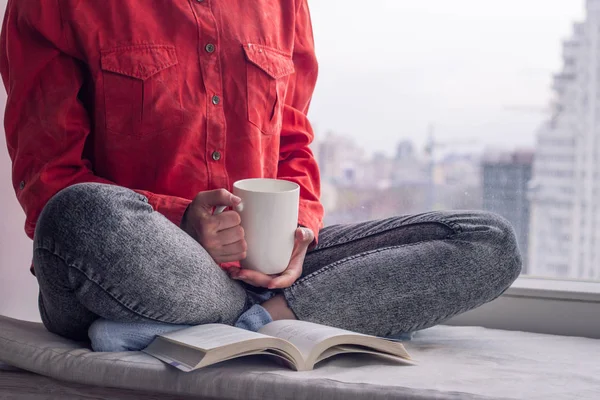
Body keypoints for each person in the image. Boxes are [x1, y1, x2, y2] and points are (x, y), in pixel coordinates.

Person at [0, 0, 521, 352]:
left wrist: (300, 237)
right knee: (79, 213)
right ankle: (265, 317)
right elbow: (49, 182)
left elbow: (293, 142)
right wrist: (184, 221)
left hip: (259, 271)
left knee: (487, 242)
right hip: (130, 267)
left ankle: (249, 323)